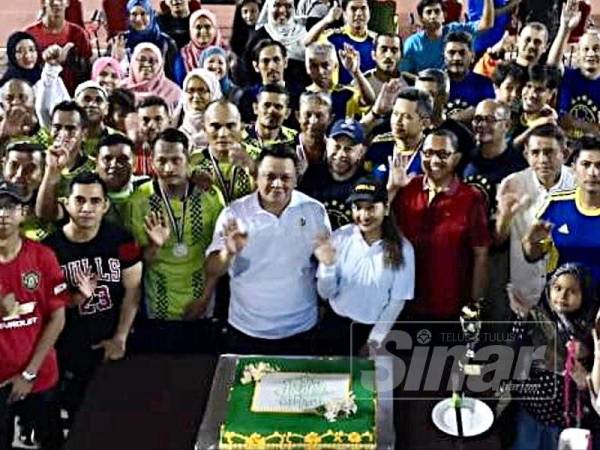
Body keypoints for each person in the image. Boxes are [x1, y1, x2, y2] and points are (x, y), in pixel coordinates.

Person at [205, 144, 331, 354]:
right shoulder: (234, 213)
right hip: (246, 331)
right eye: (269, 176)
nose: (277, 184)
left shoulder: (314, 211)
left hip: (301, 330)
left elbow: (326, 266)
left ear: (296, 179)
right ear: (256, 177)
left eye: (285, 177)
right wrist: (228, 252)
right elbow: (211, 269)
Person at [43, 172, 142, 429]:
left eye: (95, 201)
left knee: (114, 423)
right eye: (80, 200)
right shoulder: (48, 249)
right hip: (66, 350)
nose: (87, 208)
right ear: (66, 202)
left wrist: (121, 337)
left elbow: (133, 289)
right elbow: (42, 308)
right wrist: (76, 297)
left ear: (105, 205)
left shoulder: (122, 240)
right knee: (73, 421)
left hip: (111, 344)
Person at [389, 129, 490, 320]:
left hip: (449, 307)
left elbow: (481, 254)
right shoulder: (406, 188)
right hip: (402, 305)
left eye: (443, 154)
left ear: (457, 158)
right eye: (428, 153)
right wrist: (392, 190)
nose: (434, 160)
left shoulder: (471, 198)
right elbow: (376, 229)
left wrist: (475, 304)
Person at [127, 129, 224, 323]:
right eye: (161, 160)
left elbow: (219, 255)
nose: (169, 168)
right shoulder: (139, 201)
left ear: (188, 158)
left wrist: (204, 299)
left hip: (203, 300)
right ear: (152, 160)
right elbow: (136, 264)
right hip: (158, 304)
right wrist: (155, 245)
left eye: (176, 160)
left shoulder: (211, 196)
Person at [0, 182, 67, 450]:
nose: (2, 214)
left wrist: (29, 373)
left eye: (9, 207)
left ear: (24, 213)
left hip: (39, 376)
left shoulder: (42, 257)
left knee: (49, 443)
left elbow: (57, 318)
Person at [315, 177, 415, 355]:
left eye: (371, 208)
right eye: (358, 207)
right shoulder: (340, 237)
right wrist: (327, 265)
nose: (364, 215)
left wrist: (374, 341)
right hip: (335, 328)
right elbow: (325, 292)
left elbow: (396, 303)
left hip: (375, 331)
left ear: (386, 208)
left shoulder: (403, 249)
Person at [508, 263, 600, 450]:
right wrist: (523, 319)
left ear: (586, 295)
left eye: (572, 291)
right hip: (530, 411)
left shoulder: (591, 334)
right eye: (557, 288)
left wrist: (583, 379)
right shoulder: (538, 319)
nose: (563, 296)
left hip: (565, 420)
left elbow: (594, 388)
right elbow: (515, 355)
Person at [496, 124, 575, 307]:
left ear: (565, 153)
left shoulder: (580, 183)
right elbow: (498, 240)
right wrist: (505, 216)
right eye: (535, 152)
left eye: (549, 152)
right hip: (523, 297)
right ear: (526, 155)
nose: (542, 159)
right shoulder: (513, 184)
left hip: (570, 299)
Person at [523, 135, 600, 284]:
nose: (593, 173)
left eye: (599, 165)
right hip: (561, 301)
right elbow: (532, 255)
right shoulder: (556, 205)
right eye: (586, 164)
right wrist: (530, 242)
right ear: (573, 168)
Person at [299, 118, 368, 229]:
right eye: (336, 146)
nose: (341, 154)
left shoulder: (367, 183)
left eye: (348, 149)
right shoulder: (310, 175)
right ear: (327, 144)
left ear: (361, 152)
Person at [400, 0, 495, 74]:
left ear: (444, 16)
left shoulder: (455, 30)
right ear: (421, 19)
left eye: (437, 11)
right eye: (428, 12)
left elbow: (486, 24)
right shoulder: (412, 43)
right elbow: (404, 72)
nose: (433, 16)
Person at [190, 100, 255, 205]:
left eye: (230, 126)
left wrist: (254, 171)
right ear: (204, 128)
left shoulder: (259, 157)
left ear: (242, 127)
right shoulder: (192, 163)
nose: (223, 134)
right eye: (215, 126)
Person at [24, 0, 92, 93]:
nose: (56, 2)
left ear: (67, 3)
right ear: (43, 2)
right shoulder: (29, 34)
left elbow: (86, 70)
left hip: (70, 96)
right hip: (38, 94)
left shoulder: (79, 34)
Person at [36, 101, 96, 205]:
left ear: (84, 133)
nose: (63, 134)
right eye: (57, 127)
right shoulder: (37, 163)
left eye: (71, 128)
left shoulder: (95, 170)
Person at [305, 0, 377, 86]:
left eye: (363, 8)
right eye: (353, 9)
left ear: (369, 11)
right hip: (341, 95)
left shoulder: (377, 41)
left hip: (371, 95)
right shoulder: (332, 36)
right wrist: (327, 20)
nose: (359, 13)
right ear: (345, 13)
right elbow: (308, 43)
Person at [365, 88, 433, 178]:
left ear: (425, 123)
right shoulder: (377, 146)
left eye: (407, 117)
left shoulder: (432, 155)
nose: (398, 121)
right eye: (395, 113)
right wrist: (374, 113)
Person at [304, 42, 374, 122]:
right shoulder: (300, 96)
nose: (320, 71)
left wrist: (355, 72)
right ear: (307, 68)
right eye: (314, 66)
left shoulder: (347, 94)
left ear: (335, 65)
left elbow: (369, 100)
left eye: (325, 65)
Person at [2, 142, 52, 241]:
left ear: (43, 172)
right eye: (14, 166)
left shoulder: (51, 208)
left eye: (30, 168)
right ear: (3, 165)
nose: (19, 174)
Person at [555, 29, 600, 138]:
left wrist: (575, 122)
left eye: (596, 49)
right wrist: (564, 28)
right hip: (564, 148)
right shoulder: (567, 76)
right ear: (578, 52)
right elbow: (553, 64)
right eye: (586, 49)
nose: (591, 53)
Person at [123, 0, 180, 81]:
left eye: (143, 13)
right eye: (134, 14)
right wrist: (117, 58)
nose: (138, 19)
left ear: (151, 15)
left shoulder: (166, 42)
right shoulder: (121, 41)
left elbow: (173, 78)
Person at [443, 31, 495, 121]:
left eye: (462, 53)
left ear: (473, 56)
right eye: (451, 53)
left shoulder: (484, 83)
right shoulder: (434, 83)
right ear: (444, 57)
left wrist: (455, 118)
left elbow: (490, 111)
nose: (457, 58)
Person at [123, 42, 182, 114]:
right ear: (132, 63)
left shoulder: (174, 91)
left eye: (152, 61)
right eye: (142, 60)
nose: (147, 64)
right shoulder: (122, 88)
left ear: (160, 65)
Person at [242, 84, 298, 157]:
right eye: (266, 105)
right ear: (255, 108)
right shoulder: (239, 139)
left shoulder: (296, 139)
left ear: (287, 113)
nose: (271, 110)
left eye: (278, 107)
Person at [126, 96, 173, 177]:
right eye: (145, 120)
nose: (152, 126)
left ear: (169, 120)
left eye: (158, 119)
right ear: (138, 123)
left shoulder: (185, 151)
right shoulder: (129, 155)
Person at [179, 68, 222, 151]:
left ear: (213, 92)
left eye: (201, 90)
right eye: (191, 90)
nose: (196, 96)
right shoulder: (179, 124)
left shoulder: (224, 126)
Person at [178, 9, 222, 80]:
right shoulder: (183, 57)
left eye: (207, 27)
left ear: (215, 29)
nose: (203, 31)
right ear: (191, 31)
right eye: (198, 27)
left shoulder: (227, 54)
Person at [295, 91, 333, 168]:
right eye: (308, 115)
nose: (313, 121)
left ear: (330, 119)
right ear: (298, 116)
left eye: (319, 116)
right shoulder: (283, 149)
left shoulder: (336, 152)